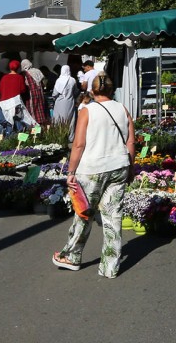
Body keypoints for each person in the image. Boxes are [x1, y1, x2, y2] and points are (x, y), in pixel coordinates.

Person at [53, 74, 135, 278]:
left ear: (93, 90)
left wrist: (70, 172)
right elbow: (131, 142)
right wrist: (131, 168)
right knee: (113, 216)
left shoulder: (87, 110)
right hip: (118, 166)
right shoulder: (123, 109)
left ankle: (72, 256)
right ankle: (110, 266)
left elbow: (79, 144)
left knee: (84, 213)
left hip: (92, 169)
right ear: (111, 89)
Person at [0, 60, 34, 134]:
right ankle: (13, 138)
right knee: (16, 122)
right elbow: (23, 90)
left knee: (5, 122)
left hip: (4, 104)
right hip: (15, 104)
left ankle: (3, 138)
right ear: (18, 68)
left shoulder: (4, 77)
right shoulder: (19, 77)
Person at [21, 59, 50, 127]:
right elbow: (45, 81)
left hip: (31, 95)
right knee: (40, 110)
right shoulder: (37, 71)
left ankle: (34, 130)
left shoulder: (25, 73)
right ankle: (40, 128)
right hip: (40, 94)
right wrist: (43, 87)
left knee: (32, 113)